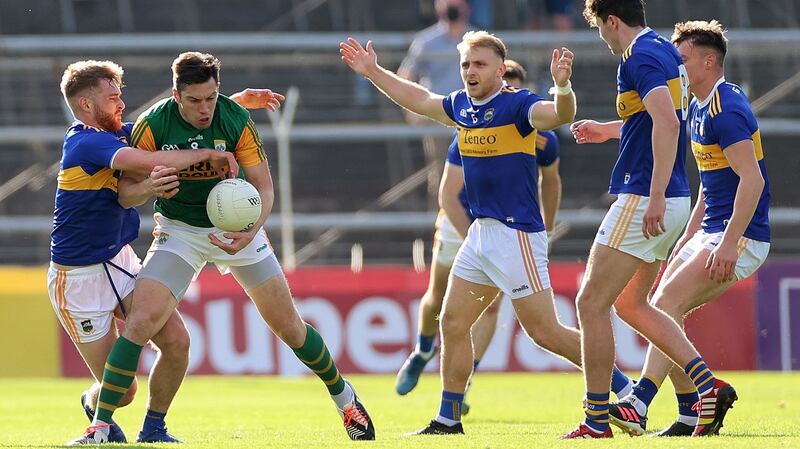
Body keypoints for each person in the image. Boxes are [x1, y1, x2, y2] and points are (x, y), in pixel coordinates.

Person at [67, 52, 375, 445]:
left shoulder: (235, 118)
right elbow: (125, 194)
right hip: (179, 230)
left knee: (290, 328)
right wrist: (148, 188)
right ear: (177, 95)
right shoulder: (154, 124)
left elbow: (264, 187)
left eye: (211, 97)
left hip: (239, 230)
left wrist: (253, 229)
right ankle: (109, 427)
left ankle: (344, 398)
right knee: (141, 321)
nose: (205, 109)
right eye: (194, 100)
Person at [341, 30, 633, 436]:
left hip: (517, 236)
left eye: (479, 64)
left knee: (545, 333)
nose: (470, 72)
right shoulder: (461, 106)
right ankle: (448, 419)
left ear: (499, 69)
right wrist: (373, 72)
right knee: (453, 322)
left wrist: (563, 85)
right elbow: (419, 99)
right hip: (479, 236)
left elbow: (560, 115)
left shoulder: (518, 105)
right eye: (465, 64)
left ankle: (624, 387)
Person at [51, 59, 254, 444]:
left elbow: (168, 130)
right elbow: (153, 159)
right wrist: (208, 154)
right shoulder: (86, 142)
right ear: (86, 107)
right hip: (77, 278)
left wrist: (231, 105)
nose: (121, 103)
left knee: (177, 343)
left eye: (121, 95)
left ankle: (155, 429)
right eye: (112, 98)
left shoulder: (117, 133)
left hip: (120, 261)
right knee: (122, 390)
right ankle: (94, 406)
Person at [563, 0, 733, 439]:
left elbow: (667, 124)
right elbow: (659, 118)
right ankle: (704, 384)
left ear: (612, 21)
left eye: (600, 27)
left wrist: (654, 194)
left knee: (590, 303)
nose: (601, 35)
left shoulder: (638, 55)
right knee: (634, 305)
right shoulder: (661, 49)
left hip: (645, 195)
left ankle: (597, 420)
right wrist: (608, 129)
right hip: (669, 196)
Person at [607, 20, 770, 437]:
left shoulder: (726, 109)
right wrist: (687, 238)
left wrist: (730, 242)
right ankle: (690, 413)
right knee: (664, 311)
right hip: (711, 230)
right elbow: (708, 187)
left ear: (709, 61)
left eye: (682, 57)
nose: (673, 63)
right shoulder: (698, 105)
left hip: (741, 235)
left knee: (662, 306)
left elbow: (752, 181)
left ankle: (641, 401)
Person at [395, 60, 566, 416]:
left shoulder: (541, 138)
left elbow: (550, 181)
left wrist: (546, 229)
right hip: (462, 222)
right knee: (441, 302)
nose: (514, 96)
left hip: (507, 230)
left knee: (518, 320)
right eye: (465, 65)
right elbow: (447, 194)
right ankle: (425, 352)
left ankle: (465, 377)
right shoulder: (468, 125)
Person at [399, 0, 472, 203]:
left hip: (475, 118)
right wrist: (412, 107)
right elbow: (406, 75)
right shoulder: (426, 41)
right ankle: (441, 231)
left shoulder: (478, 39)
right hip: (438, 116)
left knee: (477, 175)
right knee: (441, 176)